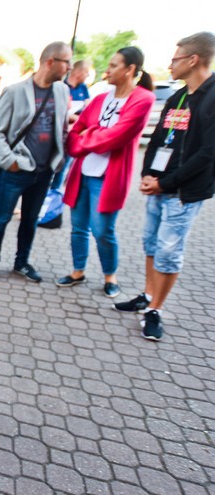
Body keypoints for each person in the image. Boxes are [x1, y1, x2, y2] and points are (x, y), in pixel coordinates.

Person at [114, 31, 215, 341]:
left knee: (169, 253)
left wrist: (166, 182)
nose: (170, 65)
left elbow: (207, 153)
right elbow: (158, 139)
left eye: (175, 59)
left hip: (182, 193)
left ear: (193, 59)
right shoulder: (178, 96)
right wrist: (147, 174)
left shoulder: (212, 97)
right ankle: (146, 295)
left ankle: (155, 309)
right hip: (158, 186)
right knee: (151, 244)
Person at [56, 47, 155, 298]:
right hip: (84, 172)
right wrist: (91, 135)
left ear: (130, 69)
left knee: (102, 231)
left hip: (108, 178)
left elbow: (118, 137)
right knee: (78, 227)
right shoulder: (101, 98)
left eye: (113, 65)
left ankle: (110, 276)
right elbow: (76, 133)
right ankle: (78, 271)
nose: (107, 70)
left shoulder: (142, 99)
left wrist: (91, 134)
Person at [0, 41, 72, 283]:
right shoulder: (15, 91)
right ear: (50, 62)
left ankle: (21, 263)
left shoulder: (62, 91)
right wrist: (9, 161)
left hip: (44, 172)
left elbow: (61, 128)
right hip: (16, 171)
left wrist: (60, 160)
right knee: (1, 218)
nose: (69, 67)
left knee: (31, 220)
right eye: (66, 61)